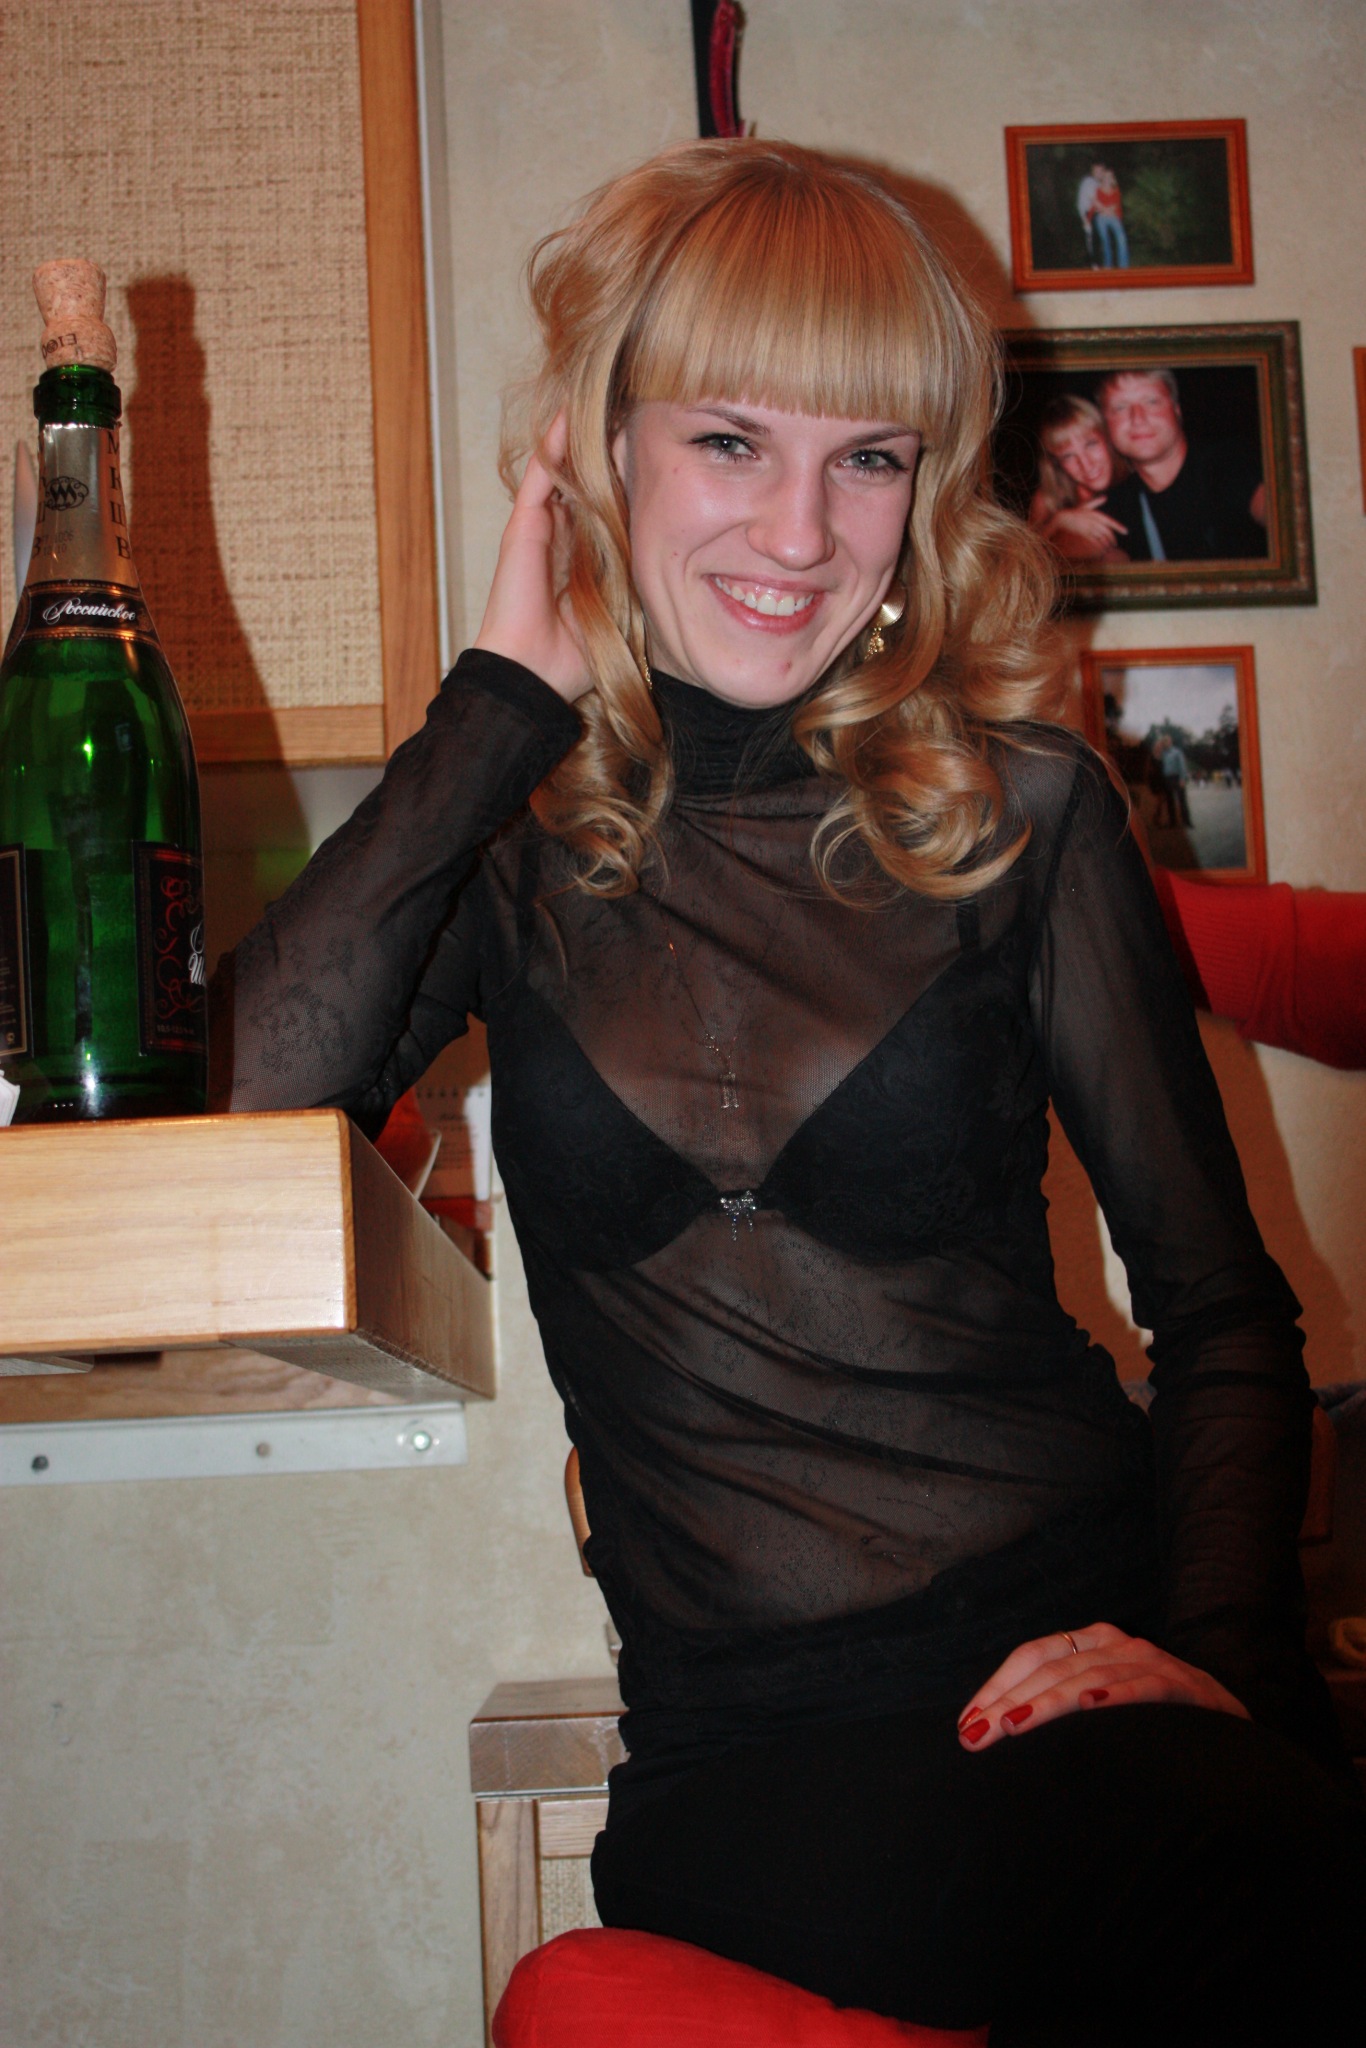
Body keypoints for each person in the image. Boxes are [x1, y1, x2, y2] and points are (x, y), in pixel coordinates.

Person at [214, 142, 1365, 2044]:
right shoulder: (507, 843)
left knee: (1254, 1878)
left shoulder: (1023, 814)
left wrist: (1216, 1657)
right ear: (601, 451)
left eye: (869, 458)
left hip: (1080, 1661)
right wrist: (497, 700)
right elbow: (239, 1109)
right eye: (730, 440)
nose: (804, 532)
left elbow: (1221, 1307)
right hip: (742, 1755)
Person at [1098, 366, 1268, 562]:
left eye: (1152, 402)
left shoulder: (1229, 463)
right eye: (1120, 407)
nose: (1138, 418)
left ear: (1177, 410)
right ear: (1106, 424)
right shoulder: (1116, 503)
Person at [1026, 393, 1129, 563]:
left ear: (1108, 437)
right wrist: (1059, 521)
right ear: (1057, 464)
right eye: (1068, 456)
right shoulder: (1048, 499)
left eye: (1091, 444)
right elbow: (1024, 560)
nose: (1086, 464)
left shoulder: (1136, 481)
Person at [1077, 160, 1129, 269]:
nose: (1099, 174)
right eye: (1096, 171)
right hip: (1092, 213)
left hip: (1105, 214)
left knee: (1116, 239)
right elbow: (1094, 203)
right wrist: (1086, 219)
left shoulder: (1104, 185)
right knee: (1098, 240)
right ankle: (1100, 266)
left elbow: (1117, 203)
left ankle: (1122, 267)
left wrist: (1115, 213)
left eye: (1101, 171)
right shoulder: (1089, 182)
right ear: (1092, 171)